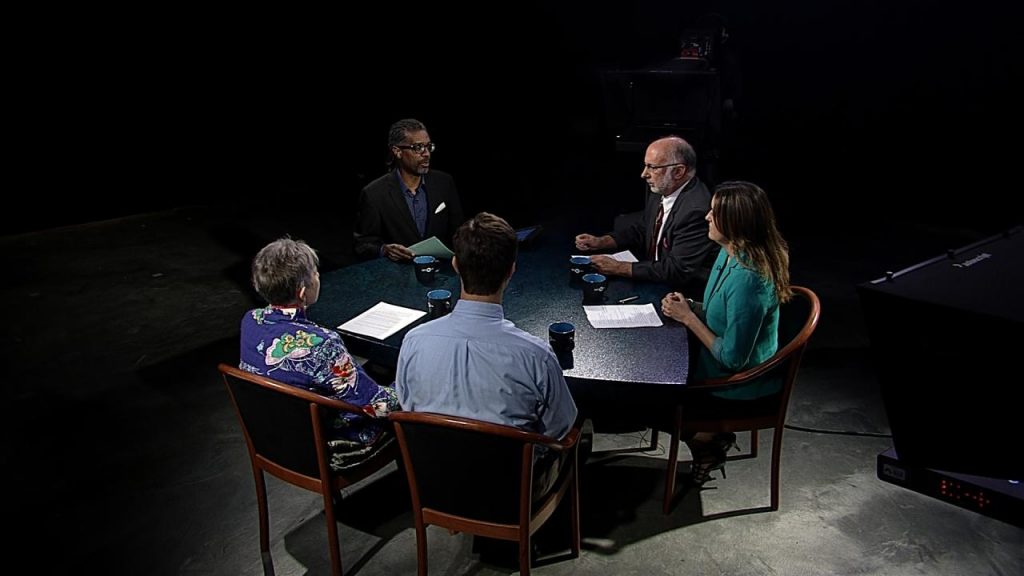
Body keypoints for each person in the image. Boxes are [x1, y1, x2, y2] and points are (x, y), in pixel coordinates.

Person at [396, 212, 578, 503]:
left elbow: (407, 406)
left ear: (455, 265)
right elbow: (560, 428)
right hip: (509, 492)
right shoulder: (536, 355)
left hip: (434, 481)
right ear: (511, 271)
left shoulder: (414, 341)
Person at [659, 181, 792, 484]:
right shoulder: (729, 251)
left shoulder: (750, 279)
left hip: (739, 385)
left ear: (735, 223)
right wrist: (691, 306)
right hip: (714, 363)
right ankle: (710, 436)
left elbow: (733, 360)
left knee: (656, 401)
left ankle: (708, 443)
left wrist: (690, 319)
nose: (706, 217)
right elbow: (721, 310)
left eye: (714, 213)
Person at [239, 237, 399, 466]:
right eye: (315, 273)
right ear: (303, 292)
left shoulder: (250, 321)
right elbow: (379, 407)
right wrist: (407, 385)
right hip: (325, 445)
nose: (318, 277)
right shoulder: (322, 343)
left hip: (274, 438)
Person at [574, 135, 716, 294]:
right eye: (645, 166)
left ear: (678, 171)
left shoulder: (695, 210)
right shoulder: (662, 188)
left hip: (678, 292)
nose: (644, 174)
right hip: (654, 276)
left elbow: (677, 270)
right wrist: (602, 242)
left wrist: (619, 267)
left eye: (652, 167)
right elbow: (644, 227)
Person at [354, 118, 465, 262]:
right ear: (397, 151)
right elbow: (362, 244)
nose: (426, 154)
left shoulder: (444, 183)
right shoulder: (374, 194)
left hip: (442, 274)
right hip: (398, 277)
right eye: (418, 148)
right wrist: (385, 250)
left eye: (428, 146)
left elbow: (460, 230)